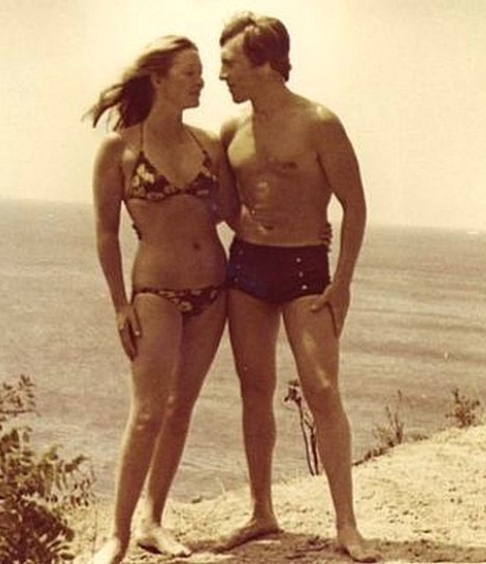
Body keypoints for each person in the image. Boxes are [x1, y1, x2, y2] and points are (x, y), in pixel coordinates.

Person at [216, 12, 378, 562]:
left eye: (230, 63)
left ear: (264, 63)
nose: (222, 75)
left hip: (307, 266)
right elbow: (225, 204)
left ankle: (347, 525)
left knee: (323, 389)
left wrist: (344, 282)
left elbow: (355, 205)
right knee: (254, 388)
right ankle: (261, 510)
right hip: (247, 266)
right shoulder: (231, 131)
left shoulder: (318, 122)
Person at [84, 35, 238, 564]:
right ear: (158, 79)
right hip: (154, 292)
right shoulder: (119, 149)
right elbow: (106, 234)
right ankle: (117, 535)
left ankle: (152, 520)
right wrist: (118, 305)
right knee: (148, 413)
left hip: (213, 288)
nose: (202, 81)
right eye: (189, 72)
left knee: (180, 408)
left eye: (200, 72)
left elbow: (233, 214)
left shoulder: (209, 144)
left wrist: (297, 228)